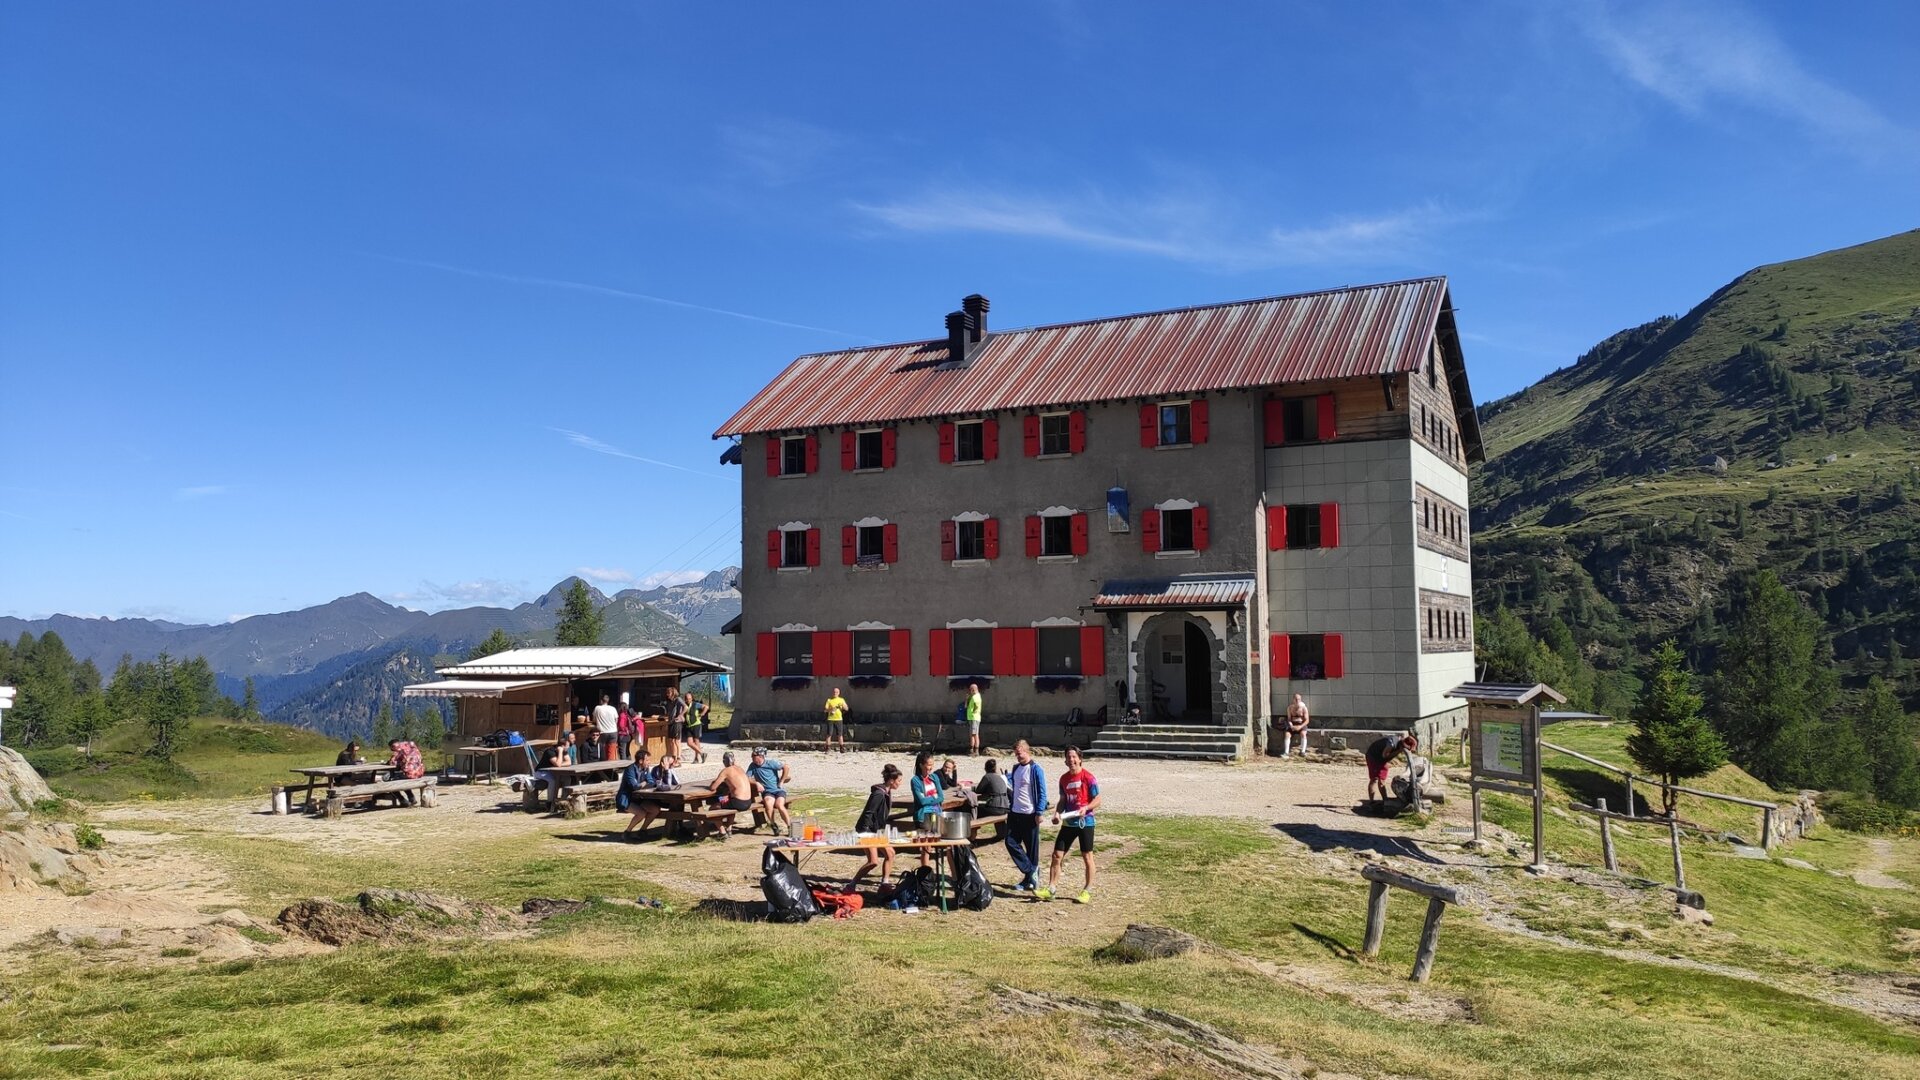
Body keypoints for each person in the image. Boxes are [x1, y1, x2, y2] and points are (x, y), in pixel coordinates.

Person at [1037, 746, 1100, 904]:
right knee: (1057, 855)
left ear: (1079, 759)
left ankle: (1087, 891)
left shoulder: (1089, 777)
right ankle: (1051, 889)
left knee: (1087, 856)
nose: (1071, 760)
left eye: (1074, 757)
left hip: (1085, 822)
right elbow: (1063, 800)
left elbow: (1098, 800)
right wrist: (1057, 813)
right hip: (1068, 823)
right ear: (1065, 760)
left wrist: (1086, 808)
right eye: (1068, 757)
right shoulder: (1063, 779)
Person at [845, 763, 903, 894]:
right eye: (899, 781)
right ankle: (851, 885)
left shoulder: (887, 792)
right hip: (867, 831)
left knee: (890, 853)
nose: (900, 783)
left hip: (876, 831)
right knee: (873, 862)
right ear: (891, 781)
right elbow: (868, 813)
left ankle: (884, 883)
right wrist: (865, 832)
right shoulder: (879, 793)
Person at [1004, 740, 1048, 892]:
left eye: (1019, 753)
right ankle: (1030, 871)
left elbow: (1042, 792)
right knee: (1010, 842)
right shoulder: (1016, 768)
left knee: (1031, 849)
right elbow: (1012, 783)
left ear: (1026, 750)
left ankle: (1029, 879)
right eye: (1016, 754)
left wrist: (1040, 812)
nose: (1017, 756)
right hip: (1015, 812)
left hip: (1030, 814)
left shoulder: (1036, 769)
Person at [706, 751, 755, 837]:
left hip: (737, 802)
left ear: (724, 761)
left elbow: (713, 788)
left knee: (712, 808)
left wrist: (712, 784)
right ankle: (729, 828)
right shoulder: (740, 768)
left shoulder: (726, 771)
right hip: (748, 801)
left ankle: (722, 832)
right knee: (723, 800)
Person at [747, 746, 793, 835]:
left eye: (755, 758)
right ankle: (773, 825)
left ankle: (789, 826)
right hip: (767, 792)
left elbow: (786, 767)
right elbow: (747, 777)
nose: (754, 760)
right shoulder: (752, 766)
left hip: (778, 790)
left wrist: (782, 781)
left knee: (779, 805)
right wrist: (757, 783)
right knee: (768, 804)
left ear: (761, 757)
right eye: (752, 758)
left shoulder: (771, 763)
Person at [1365, 733, 1417, 810]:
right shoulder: (1392, 743)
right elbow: (1384, 755)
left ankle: (1385, 800)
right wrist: (1398, 751)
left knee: (1382, 780)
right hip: (1374, 756)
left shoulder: (1399, 744)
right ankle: (1372, 802)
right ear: (1402, 744)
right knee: (1374, 779)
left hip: (1382, 759)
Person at [619, 749, 660, 840]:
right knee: (641, 813)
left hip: (640, 798)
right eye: (647, 760)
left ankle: (642, 831)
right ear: (641, 761)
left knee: (655, 810)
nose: (649, 762)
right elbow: (634, 786)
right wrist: (645, 783)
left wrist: (644, 783)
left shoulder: (645, 769)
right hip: (627, 799)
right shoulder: (630, 769)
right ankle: (627, 832)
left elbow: (651, 781)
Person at [535, 731, 575, 808]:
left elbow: (569, 762)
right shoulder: (550, 751)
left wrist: (560, 764)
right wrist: (560, 752)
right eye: (567, 746)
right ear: (562, 746)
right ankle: (550, 802)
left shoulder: (564, 751)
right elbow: (558, 764)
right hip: (541, 772)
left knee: (567, 778)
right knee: (552, 780)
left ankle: (564, 799)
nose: (568, 747)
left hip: (553, 772)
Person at [386, 738, 425, 807]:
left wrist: (390, 761)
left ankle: (403, 801)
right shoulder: (411, 745)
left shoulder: (398, 749)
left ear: (393, 746)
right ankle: (411, 798)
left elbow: (392, 762)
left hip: (410, 774)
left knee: (390, 781)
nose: (392, 750)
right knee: (402, 778)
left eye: (392, 749)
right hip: (420, 772)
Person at [664, 686, 688, 762]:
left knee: (677, 740)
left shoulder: (678, 699)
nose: (667, 694)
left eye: (669, 692)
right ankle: (673, 756)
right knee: (671, 740)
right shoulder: (669, 701)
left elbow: (686, 707)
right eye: (667, 693)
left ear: (673, 693)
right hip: (671, 721)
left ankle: (678, 757)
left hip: (677, 722)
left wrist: (680, 715)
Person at [1283, 693, 1311, 758]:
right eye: (1296, 699)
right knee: (1287, 734)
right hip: (1293, 724)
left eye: (1299, 699)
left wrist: (1300, 726)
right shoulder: (1290, 708)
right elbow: (1289, 719)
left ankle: (1303, 751)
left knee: (1303, 734)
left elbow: (1307, 720)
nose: (1297, 700)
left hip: (1301, 724)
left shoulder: (1304, 708)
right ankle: (1286, 752)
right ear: (1293, 700)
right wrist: (1291, 726)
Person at [823, 686, 849, 754]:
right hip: (830, 719)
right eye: (834, 692)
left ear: (839, 693)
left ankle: (841, 748)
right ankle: (827, 748)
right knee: (829, 734)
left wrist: (843, 706)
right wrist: (831, 709)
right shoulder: (829, 700)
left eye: (836, 692)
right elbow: (825, 710)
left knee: (840, 734)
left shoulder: (841, 700)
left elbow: (846, 709)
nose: (835, 693)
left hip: (839, 719)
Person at [684, 697, 708, 764]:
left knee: (696, 741)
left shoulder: (695, 704)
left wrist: (702, 714)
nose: (688, 700)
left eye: (689, 698)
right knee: (689, 743)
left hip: (696, 724)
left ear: (691, 699)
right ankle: (702, 754)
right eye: (686, 698)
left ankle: (696, 758)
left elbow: (706, 707)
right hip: (689, 725)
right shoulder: (685, 705)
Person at [965, 682, 983, 756]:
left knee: (973, 735)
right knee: (975, 734)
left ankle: (973, 750)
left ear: (973, 690)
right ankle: (975, 750)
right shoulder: (977, 696)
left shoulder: (975, 697)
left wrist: (967, 699)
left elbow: (966, 706)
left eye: (970, 690)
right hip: (974, 717)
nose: (970, 691)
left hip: (973, 717)